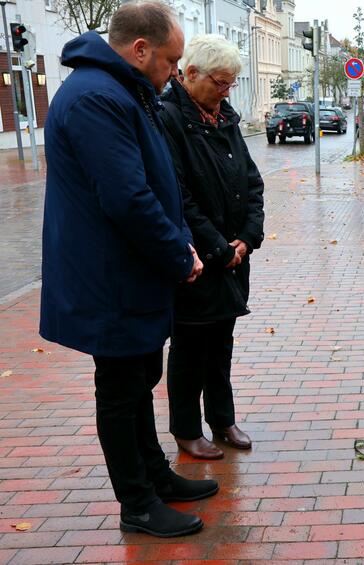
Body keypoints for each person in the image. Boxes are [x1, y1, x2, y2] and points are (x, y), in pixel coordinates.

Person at [40, 2, 218, 538]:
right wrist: (177, 253)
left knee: (140, 379)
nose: (173, 73)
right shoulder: (98, 97)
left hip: (129, 271)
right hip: (109, 276)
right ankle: (137, 504)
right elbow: (127, 198)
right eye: (170, 61)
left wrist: (180, 240)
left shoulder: (122, 91)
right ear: (139, 49)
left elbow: (155, 183)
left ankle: (156, 477)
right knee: (121, 388)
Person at [159, 35, 264, 460]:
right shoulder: (169, 120)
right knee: (189, 348)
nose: (225, 91)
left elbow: (252, 184)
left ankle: (223, 420)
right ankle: (186, 428)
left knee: (221, 345)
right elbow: (180, 196)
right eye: (220, 82)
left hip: (233, 258)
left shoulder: (225, 120)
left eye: (230, 84)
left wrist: (247, 238)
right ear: (190, 75)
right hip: (200, 260)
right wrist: (219, 248)